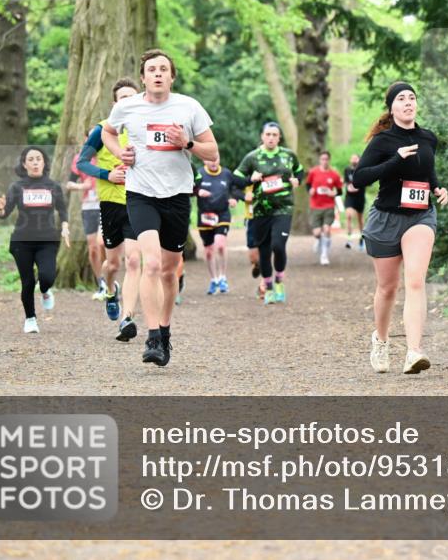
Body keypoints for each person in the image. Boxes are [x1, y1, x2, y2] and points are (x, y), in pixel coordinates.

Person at [102, 49, 218, 367]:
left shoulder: (189, 107)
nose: (157, 74)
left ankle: (164, 331)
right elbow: (107, 132)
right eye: (151, 69)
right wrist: (119, 154)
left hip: (177, 196)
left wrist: (187, 143)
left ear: (171, 76)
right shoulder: (127, 107)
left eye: (163, 69)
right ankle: (152, 337)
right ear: (143, 77)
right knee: (150, 264)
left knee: (169, 271)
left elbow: (212, 152)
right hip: (141, 194)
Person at [353, 82, 448, 374]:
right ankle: (380, 341)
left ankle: (414, 351)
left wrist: (437, 188)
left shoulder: (428, 138)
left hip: (420, 217)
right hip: (386, 219)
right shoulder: (383, 141)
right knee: (387, 288)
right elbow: (360, 179)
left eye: (412, 98)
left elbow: (427, 171)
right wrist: (396, 160)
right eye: (401, 99)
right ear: (391, 107)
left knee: (416, 281)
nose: (408, 102)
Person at [77, 78, 145, 341]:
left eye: (132, 96)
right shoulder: (103, 130)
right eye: (122, 97)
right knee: (113, 263)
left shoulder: (145, 127)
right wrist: (107, 174)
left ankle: (127, 318)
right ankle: (109, 290)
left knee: (134, 260)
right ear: (114, 103)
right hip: (110, 204)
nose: (127, 101)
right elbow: (82, 163)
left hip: (138, 201)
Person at [0, 146, 71, 333]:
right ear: (24, 164)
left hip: (47, 240)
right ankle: (30, 319)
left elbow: (62, 210)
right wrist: (0, 210)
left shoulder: (53, 186)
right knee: (27, 282)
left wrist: (65, 227)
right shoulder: (17, 187)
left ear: (44, 162)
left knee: (47, 277)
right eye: (31, 159)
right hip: (22, 241)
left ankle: (45, 290)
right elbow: (5, 213)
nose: (35, 162)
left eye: (38, 158)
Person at [233, 122, 304, 305]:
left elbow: (299, 170)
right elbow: (236, 179)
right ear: (262, 136)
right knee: (264, 251)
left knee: (278, 246)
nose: (271, 138)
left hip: (283, 208)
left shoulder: (288, 155)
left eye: (274, 134)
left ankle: (279, 280)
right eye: (268, 134)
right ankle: (268, 286)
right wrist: (251, 179)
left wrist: (298, 180)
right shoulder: (252, 157)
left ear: (279, 137)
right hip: (260, 211)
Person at [66, 138, 105, 299]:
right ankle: (101, 283)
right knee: (93, 248)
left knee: (101, 243)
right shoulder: (80, 159)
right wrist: (83, 186)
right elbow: (69, 184)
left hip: (106, 204)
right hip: (88, 206)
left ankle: (110, 279)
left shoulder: (107, 155)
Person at [194, 159, 240, 294]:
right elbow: (190, 188)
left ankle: (223, 277)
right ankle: (214, 279)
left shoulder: (226, 173)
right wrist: (198, 192)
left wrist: (234, 199)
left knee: (220, 245)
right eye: (210, 159)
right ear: (204, 160)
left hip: (222, 214)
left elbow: (235, 189)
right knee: (208, 250)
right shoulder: (199, 173)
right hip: (205, 216)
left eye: (216, 159)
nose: (214, 162)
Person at [305, 150, 343, 266]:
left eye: (326, 159)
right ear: (319, 160)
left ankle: (324, 255)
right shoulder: (313, 172)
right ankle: (319, 240)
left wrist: (333, 193)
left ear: (329, 160)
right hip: (315, 206)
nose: (324, 161)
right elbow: (308, 184)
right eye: (322, 159)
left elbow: (340, 190)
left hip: (329, 206)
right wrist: (310, 190)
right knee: (317, 233)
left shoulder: (334, 174)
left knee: (326, 229)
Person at [342, 153, 366, 251]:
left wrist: (358, 187)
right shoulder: (347, 170)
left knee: (360, 220)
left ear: (359, 160)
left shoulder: (363, 170)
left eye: (355, 158)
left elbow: (367, 182)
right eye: (352, 158)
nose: (353, 160)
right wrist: (348, 186)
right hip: (349, 197)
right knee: (349, 216)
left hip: (359, 198)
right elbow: (345, 182)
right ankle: (349, 239)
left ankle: (362, 239)